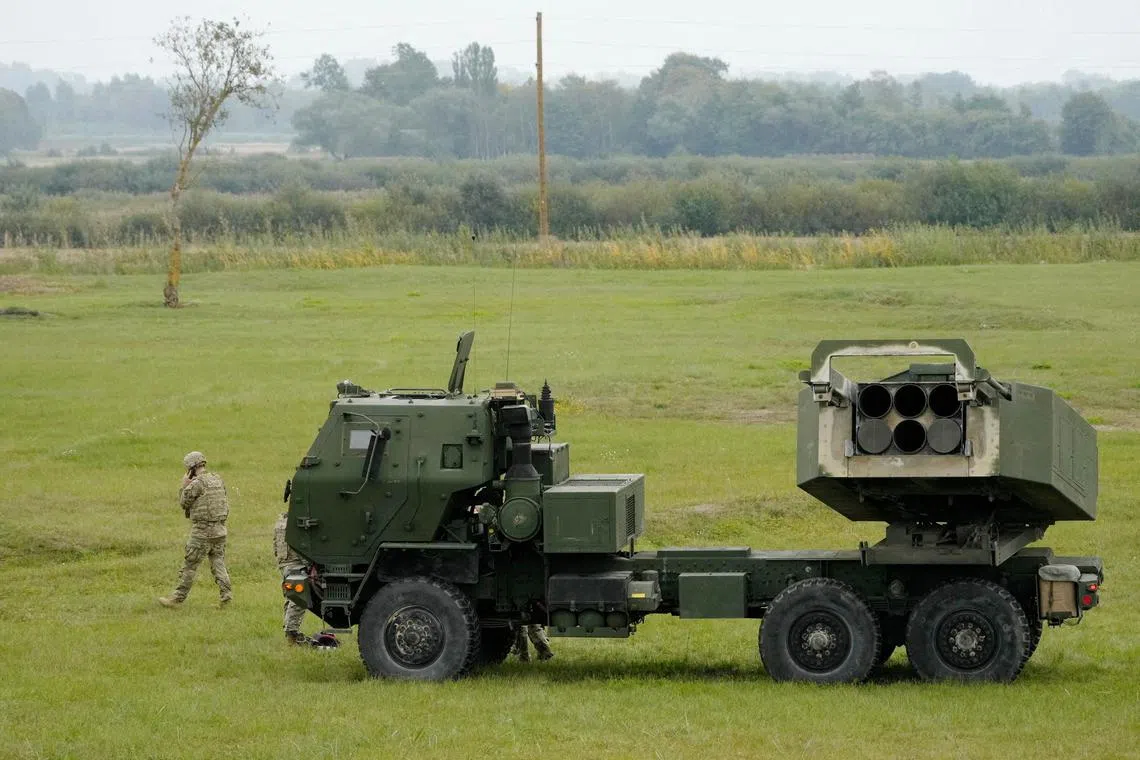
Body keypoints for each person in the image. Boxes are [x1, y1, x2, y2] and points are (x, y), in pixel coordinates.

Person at [158, 451, 232, 608]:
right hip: (220, 530)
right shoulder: (217, 479)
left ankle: (177, 598)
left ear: (191, 468)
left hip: (202, 532)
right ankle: (226, 596)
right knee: (218, 562)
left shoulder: (197, 484)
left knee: (190, 566)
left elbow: (184, 503)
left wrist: (184, 486)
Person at [274, 511, 311, 645]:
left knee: (291, 598)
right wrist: (310, 565)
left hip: (284, 565)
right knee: (298, 599)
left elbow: (275, 546)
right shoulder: (296, 524)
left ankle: (289, 631)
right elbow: (300, 546)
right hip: (295, 565)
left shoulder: (281, 522)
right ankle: (292, 634)